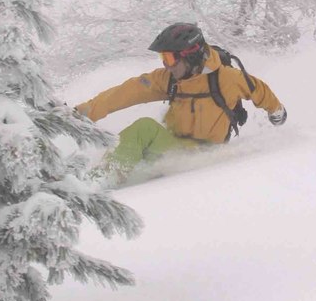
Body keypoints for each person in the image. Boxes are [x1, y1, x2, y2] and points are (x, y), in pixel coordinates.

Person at [75, 23, 287, 185]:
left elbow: (259, 90)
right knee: (143, 132)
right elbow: (127, 92)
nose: (165, 65)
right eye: (163, 58)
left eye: (168, 58)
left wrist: (276, 111)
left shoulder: (227, 79)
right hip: (172, 147)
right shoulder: (170, 78)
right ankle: (91, 177)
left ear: (191, 56)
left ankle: (96, 185)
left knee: (144, 128)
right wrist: (84, 113)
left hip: (204, 155)